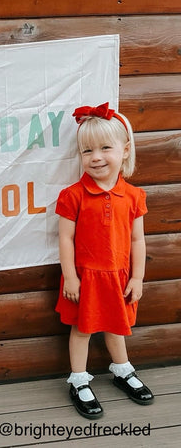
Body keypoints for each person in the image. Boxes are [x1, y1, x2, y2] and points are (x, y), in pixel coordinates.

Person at [55, 102, 154, 419]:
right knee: (82, 329)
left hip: (118, 277)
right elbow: (65, 239)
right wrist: (70, 277)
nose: (95, 157)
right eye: (87, 151)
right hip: (85, 277)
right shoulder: (72, 195)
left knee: (116, 325)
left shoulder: (134, 196)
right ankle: (79, 381)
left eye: (105, 148)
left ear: (125, 151)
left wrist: (137, 277)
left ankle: (122, 369)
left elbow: (138, 240)